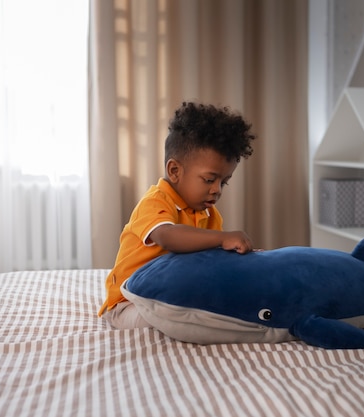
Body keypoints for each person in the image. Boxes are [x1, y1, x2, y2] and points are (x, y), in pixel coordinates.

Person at [98, 101, 257, 329]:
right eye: (209, 180)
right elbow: (168, 236)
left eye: (224, 182)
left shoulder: (209, 214)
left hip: (172, 296)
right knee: (177, 322)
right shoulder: (155, 202)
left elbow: (211, 259)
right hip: (131, 302)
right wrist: (222, 238)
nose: (217, 190)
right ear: (175, 171)